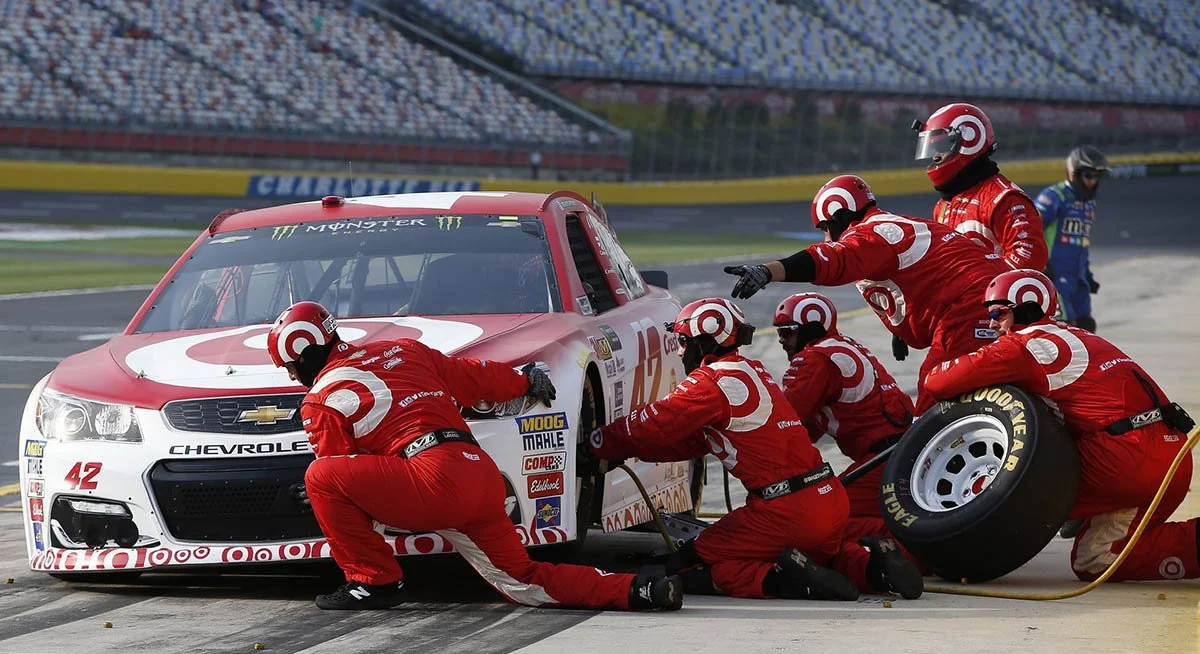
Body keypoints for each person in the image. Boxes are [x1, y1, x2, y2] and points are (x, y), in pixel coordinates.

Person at [266, 300, 683, 610]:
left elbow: (339, 467)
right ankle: (637, 589)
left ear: (303, 354)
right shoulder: (405, 350)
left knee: (320, 476)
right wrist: (525, 382)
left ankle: (373, 581)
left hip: (431, 482)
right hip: (480, 473)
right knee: (524, 579)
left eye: (289, 367)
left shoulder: (320, 399)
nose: (291, 376)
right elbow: (475, 378)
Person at [588, 298, 923, 600]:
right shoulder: (756, 371)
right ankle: (873, 569)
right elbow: (692, 442)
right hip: (826, 494)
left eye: (683, 342)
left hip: (786, 508)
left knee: (692, 564)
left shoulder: (711, 381)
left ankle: (787, 583)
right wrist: (632, 453)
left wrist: (599, 442)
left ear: (706, 340)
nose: (679, 351)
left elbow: (654, 421)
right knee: (825, 554)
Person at [923, 269, 1199, 582]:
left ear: (1025, 308)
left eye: (998, 313)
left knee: (1011, 497)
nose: (991, 323)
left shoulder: (1021, 347)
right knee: (1094, 558)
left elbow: (937, 381)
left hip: (1124, 462)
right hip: (1171, 455)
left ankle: (949, 554)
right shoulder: (1079, 334)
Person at [724, 174, 1008, 413]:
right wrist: (903, 330)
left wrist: (768, 271)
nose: (826, 237)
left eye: (825, 228)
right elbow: (927, 274)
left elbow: (833, 261)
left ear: (839, 213)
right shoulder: (897, 226)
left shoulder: (872, 234)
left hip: (971, 308)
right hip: (990, 300)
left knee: (934, 398)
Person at [772, 291, 914, 524]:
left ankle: (892, 555)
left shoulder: (816, 359)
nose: (781, 340)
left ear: (810, 329)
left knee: (820, 521)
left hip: (882, 461)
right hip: (901, 450)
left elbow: (785, 420)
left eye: (787, 331)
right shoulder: (843, 345)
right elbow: (808, 429)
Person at [913, 102, 1047, 272]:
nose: (936, 157)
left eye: (942, 147)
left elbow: (1031, 260)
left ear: (970, 141)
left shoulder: (1004, 199)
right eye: (932, 149)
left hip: (993, 297)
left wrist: (980, 289)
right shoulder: (942, 206)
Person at [1035, 146, 1111, 333]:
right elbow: (1030, 230)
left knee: (1087, 328)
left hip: (1078, 279)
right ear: (1073, 173)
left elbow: (1082, 243)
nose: (1093, 182)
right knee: (1066, 331)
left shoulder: (1088, 204)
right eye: (1088, 175)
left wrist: (1088, 275)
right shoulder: (1053, 197)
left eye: (1097, 177)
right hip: (1054, 277)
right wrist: (1040, 264)